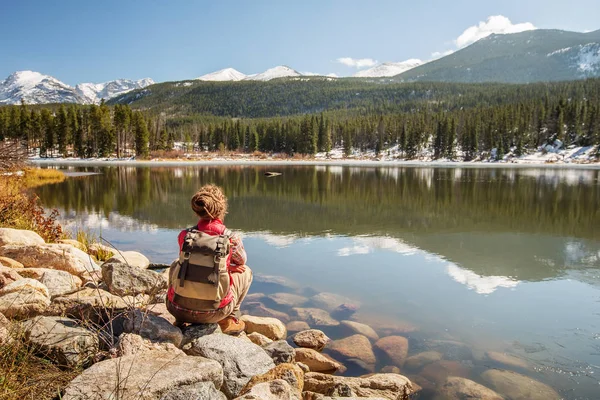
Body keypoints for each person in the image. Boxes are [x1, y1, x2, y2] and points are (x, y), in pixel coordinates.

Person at [166, 184, 252, 334]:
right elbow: (241, 261)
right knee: (246, 272)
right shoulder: (231, 237)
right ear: (222, 209)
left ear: (197, 211)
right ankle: (228, 319)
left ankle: (180, 321)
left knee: (177, 264)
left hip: (176, 309)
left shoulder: (185, 236)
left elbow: (193, 263)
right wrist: (226, 266)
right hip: (214, 313)